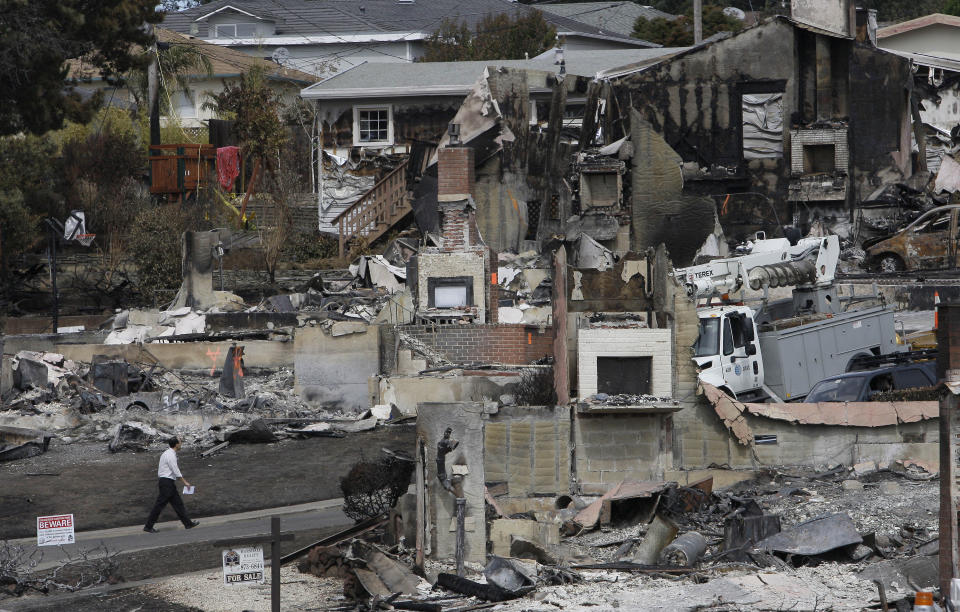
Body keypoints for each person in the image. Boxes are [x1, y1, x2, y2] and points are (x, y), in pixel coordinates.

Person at [143, 437, 199, 533]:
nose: (181, 444)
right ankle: (148, 526)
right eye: (180, 443)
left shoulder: (169, 453)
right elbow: (175, 469)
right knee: (159, 505)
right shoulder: (170, 455)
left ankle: (188, 524)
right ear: (176, 444)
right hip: (166, 483)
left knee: (178, 504)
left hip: (168, 482)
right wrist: (185, 482)